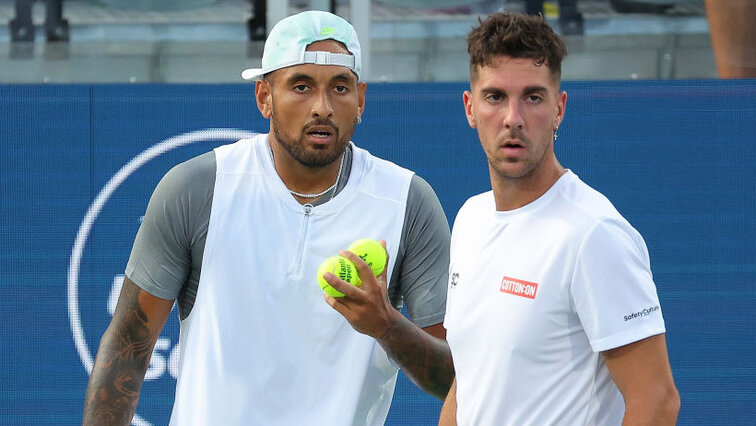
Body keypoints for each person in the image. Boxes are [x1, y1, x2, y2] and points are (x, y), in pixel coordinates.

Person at [82, 10, 453, 426]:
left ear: (361, 100)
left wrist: (386, 326)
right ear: (264, 97)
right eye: (301, 86)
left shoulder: (408, 201)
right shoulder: (198, 188)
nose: (322, 107)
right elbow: (127, 350)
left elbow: (452, 380)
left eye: (340, 88)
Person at [439, 13, 680, 425]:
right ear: (470, 108)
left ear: (559, 109)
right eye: (495, 97)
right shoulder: (470, 219)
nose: (513, 117)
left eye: (533, 97)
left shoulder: (594, 234)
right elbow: (470, 381)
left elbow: (656, 401)